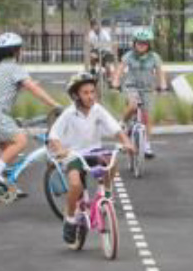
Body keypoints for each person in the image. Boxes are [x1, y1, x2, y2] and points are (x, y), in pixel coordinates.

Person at [48, 72, 135, 246]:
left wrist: (127, 143)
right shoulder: (68, 113)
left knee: (112, 161)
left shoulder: (98, 110)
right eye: (85, 93)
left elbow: (116, 129)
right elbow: (54, 135)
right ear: (76, 96)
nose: (90, 96)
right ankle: (70, 218)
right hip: (74, 154)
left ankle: (107, 195)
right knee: (75, 184)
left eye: (92, 91)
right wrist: (61, 149)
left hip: (94, 151)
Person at [0, 32, 63, 194]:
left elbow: (7, 87)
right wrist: (55, 105)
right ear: (16, 51)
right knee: (21, 141)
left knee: (8, 149)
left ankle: (5, 186)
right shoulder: (14, 68)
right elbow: (32, 88)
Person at [111, 29, 168, 159]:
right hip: (131, 87)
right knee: (133, 105)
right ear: (134, 43)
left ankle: (147, 145)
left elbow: (160, 73)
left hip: (148, 89)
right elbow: (119, 70)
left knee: (147, 117)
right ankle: (123, 124)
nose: (141, 45)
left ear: (149, 45)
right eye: (139, 43)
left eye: (144, 43)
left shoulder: (154, 57)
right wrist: (115, 83)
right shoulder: (129, 56)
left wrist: (163, 87)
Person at [87, 19, 115, 84]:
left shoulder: (104, 33)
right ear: (92, 27)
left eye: (96, 25)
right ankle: (93, 70)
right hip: (96, 50)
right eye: (93, 25)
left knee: (107, 65)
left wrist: (99, 46)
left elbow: (109, 43)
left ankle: (109, 78)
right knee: (92, 56)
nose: (96, 27)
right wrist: (94, 47)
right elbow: (91, 44)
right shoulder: (91, 34)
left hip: (106, 51)